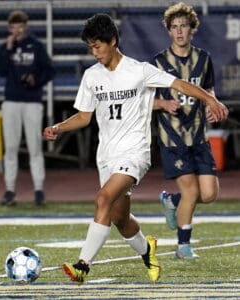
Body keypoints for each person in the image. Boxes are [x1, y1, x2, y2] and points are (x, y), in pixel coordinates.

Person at [43, 13, 227, 285]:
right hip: (106, 155)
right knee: (119, 218)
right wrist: (59, 127)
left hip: (134, 153)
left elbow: (179, 84)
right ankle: (147, 250)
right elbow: (84, 116)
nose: (94, 52)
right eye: (90, 47)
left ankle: (83, 265)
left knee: (103, 199)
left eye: (98, 46)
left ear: (113, 41)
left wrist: (210, 99)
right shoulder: (91, 76)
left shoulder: (139, 70)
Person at [153, 2, 228, 259]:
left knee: (209, 194)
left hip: (198, 136)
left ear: (192, 28)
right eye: (174, 27)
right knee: (192, 191)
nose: (179, 31)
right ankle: (183, 246)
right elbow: (141, 100)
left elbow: (209, 91)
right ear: (169, 31)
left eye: (183, 26)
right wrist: (162, 103)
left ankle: (172, 201)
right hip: (172, 139)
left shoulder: (203, 59)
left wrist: (211, 104)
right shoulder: (158, 63)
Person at [0, 10, 55, 206]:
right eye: (13, 26)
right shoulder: (6, 47)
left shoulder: (36, 46)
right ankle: (10, 190)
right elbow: (0, 70)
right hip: (11, 101)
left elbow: (49, 70)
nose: (17, 30)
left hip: (32, 101)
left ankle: (39, 189)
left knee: (35, 147)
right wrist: (8, 47)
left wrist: (35, 80)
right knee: (11, 148)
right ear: (9, 28)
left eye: (20, 26)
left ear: (26, 27)